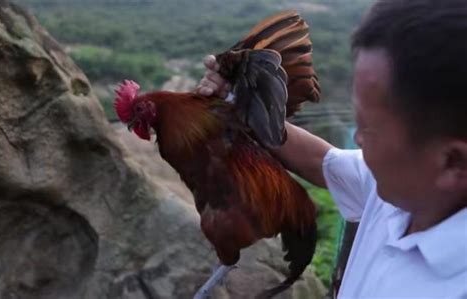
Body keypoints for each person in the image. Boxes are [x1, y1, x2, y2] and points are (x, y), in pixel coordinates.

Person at [196, 0, 467, 298]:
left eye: (368, 128)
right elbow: (321, 161)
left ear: (453, 163)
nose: (358, 140)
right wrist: (240, 104)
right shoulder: (410, 187)